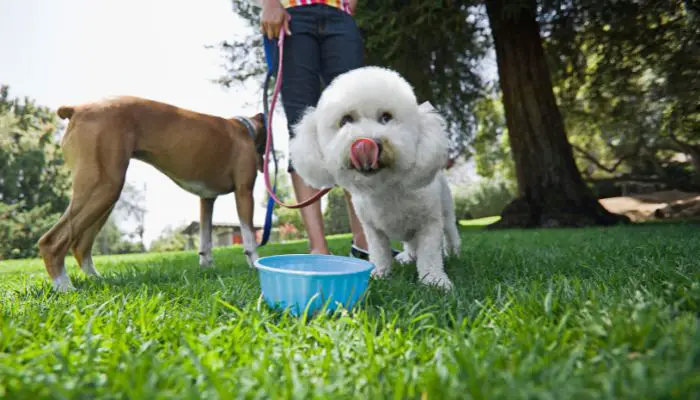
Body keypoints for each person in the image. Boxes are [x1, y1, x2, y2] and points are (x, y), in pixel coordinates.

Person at [259, 0, 398, 259]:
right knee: (302, 128)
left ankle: (366, 242)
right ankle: (319, 249)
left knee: (357, 122)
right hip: (291, 15)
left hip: (339, 17)